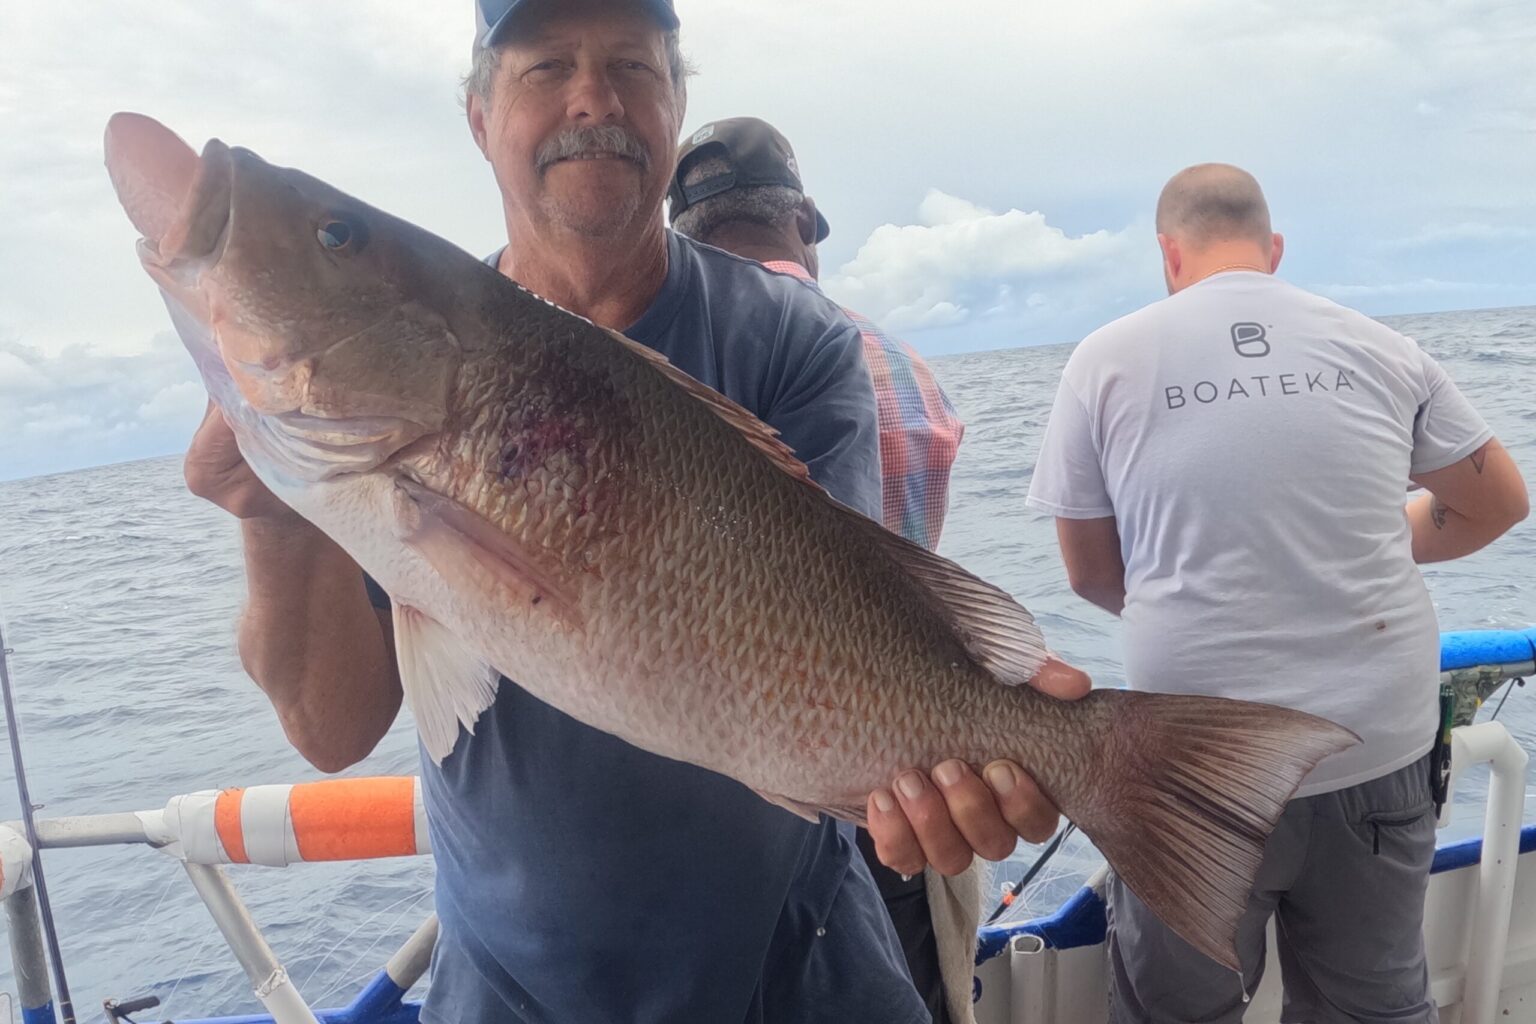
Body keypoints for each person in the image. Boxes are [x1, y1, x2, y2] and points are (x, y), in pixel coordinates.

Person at [181, 1, 1084, 1020]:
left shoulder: (797, 341)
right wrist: (271, 513)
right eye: (544, 67)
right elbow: (333, 728)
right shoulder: (394, 395)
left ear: (676, 101)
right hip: (513, 989)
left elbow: (850, 629)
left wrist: (973, 756)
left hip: (799, 969)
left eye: (631, 66)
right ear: (478, 117)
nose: (592, 99)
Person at [1026, 163, 1529, 1023]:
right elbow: (1500, 501)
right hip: (1374, 749)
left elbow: (1090, 571)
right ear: (1275, 250)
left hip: (1194, 763)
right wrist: (1358, 538)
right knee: (1373, 1006)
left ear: (1167, 254)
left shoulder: (1105, 359)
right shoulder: (1377, 344)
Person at [669, 115, 968, 1024]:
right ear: (806, 223)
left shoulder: (678, 369)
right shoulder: (908, 370)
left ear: (684, 237)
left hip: (746, 805)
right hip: (906, 785)